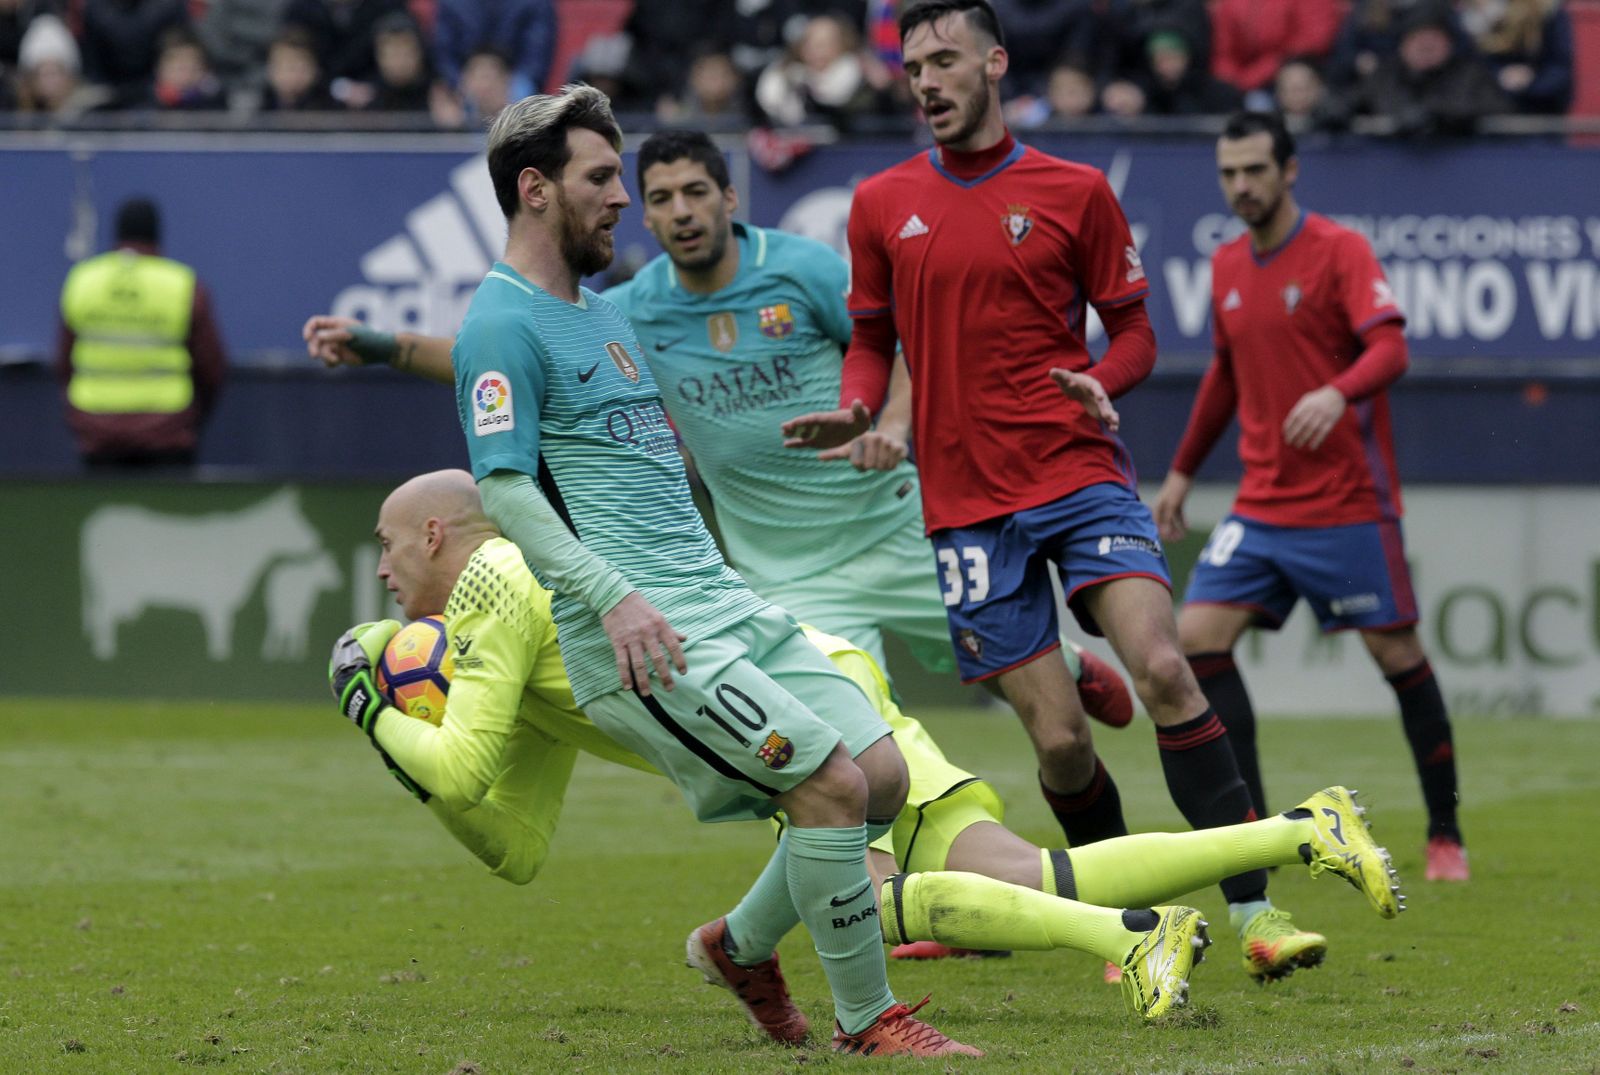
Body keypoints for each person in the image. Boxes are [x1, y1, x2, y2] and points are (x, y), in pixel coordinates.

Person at [325, 470, 1399, 1029]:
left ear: (432, 536)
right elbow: (508, 838)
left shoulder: (491, 582)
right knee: (1019, 872)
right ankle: (1302, 828)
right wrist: (395, 740)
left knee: (868, 896)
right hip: (812, 675)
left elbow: (459, 768)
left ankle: (1130, 941)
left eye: (383, 547)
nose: (379, 574)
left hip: (807, 690)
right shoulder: (512, 642)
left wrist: (374, 704)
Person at [423, 84, 977, 1057]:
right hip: (640, 633)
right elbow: (505, 493)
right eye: (602, 177)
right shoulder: (499, 325)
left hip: (721, 598)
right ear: (535, 188)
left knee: (880, 776)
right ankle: (867, 1019)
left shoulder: (599, 312)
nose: (624, 199)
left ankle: (742, 944)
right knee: (830, 791)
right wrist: (615, 597)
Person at [780, 0, 1323, 984]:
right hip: (963, 503)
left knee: (1163, 667)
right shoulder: (879, 203)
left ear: (994, 63)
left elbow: (1139, 335)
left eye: (945, 60)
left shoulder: (1073, 192)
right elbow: (870, 342)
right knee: (1062, 744)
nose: (928, 82)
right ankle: (1133, 927)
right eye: (913, 68)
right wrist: (860, 413)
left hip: (1076, 471)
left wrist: (1099, 382)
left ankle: (1254, 910)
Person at [303, 129, 1134, 763]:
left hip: (889, 527)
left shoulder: (802, 267)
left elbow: (897, 346)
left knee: (1010, 672)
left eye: (694, 192)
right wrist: (379, 345)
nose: (677, 211)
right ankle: (915, 876)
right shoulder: (632, 307)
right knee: (862, 735)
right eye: (659, 197)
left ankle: (1061, 659)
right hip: (782, 566)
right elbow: (497, 365)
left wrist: (889, 426)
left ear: (729, 198)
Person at [1151, 110, 1468, 884]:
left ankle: (1444, 833)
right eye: (1229, 173)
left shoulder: (1339, 250)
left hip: (1346, 504)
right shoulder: (1227, 266)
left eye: (1256, 170)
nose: (1242, 186)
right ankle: (1258, 826)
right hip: (1261, 504)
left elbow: (1390, 345)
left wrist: (1336, 390)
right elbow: (1224, 375)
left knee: (1398, 656)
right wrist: (1185, 469)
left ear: (1289, 170)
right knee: (1194, 638)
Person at [56, 197, 227, 468]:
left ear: (117, 235)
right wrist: (192, 419)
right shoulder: (183, 284)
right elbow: (211, 367)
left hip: (96, 433)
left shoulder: (83, 280)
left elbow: (64, 362)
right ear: (157, 236)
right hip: (168, 433)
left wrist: (81, 418)